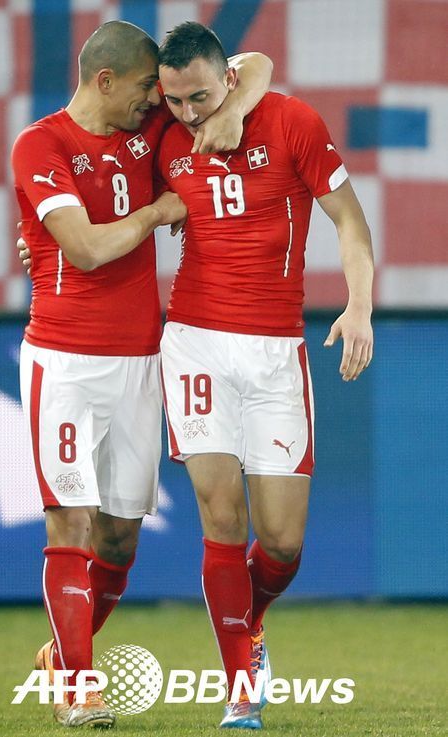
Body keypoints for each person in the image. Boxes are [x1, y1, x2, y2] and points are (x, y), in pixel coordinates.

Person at [11, 19, 272, 729]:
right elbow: (86, 250)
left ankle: (62, 652)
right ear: (105, 81)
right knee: (71, 518)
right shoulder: (41, 144)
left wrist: (237, 110)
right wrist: (159, 210)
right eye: (144, 91)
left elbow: (253, 64)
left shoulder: (147, 128)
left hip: (139, 361)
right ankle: (78, 687)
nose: (156, 103)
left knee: (120, 538)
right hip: (63, 361)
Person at [155, 22, 374, 729]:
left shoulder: (291, 122)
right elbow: (101, 183)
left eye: (198, 97)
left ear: (228, 79)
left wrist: (360, 307)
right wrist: (37, 241)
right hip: (194, 341)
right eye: (174, 100)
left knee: (281, 544)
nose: (186, 112)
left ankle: (249, 618)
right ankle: (239, 688)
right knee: (222, 514)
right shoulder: (164, 132)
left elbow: (350, 222)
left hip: (276, 349)